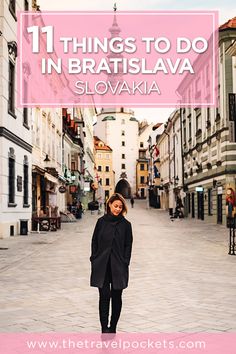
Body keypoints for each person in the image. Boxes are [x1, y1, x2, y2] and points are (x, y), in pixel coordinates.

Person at [90, 193, 133, 334]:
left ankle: (113, 327)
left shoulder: (126, 225)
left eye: (120, 207)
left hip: (118, 266)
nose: (118, 209)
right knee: (104, 296)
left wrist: (125, 261)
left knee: (116, 297)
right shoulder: (101, 222)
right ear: (109, 205)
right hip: (102, 265)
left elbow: (128, 245)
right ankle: (104, 328)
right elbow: (94, 241)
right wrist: (94, 258)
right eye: (116, 206)